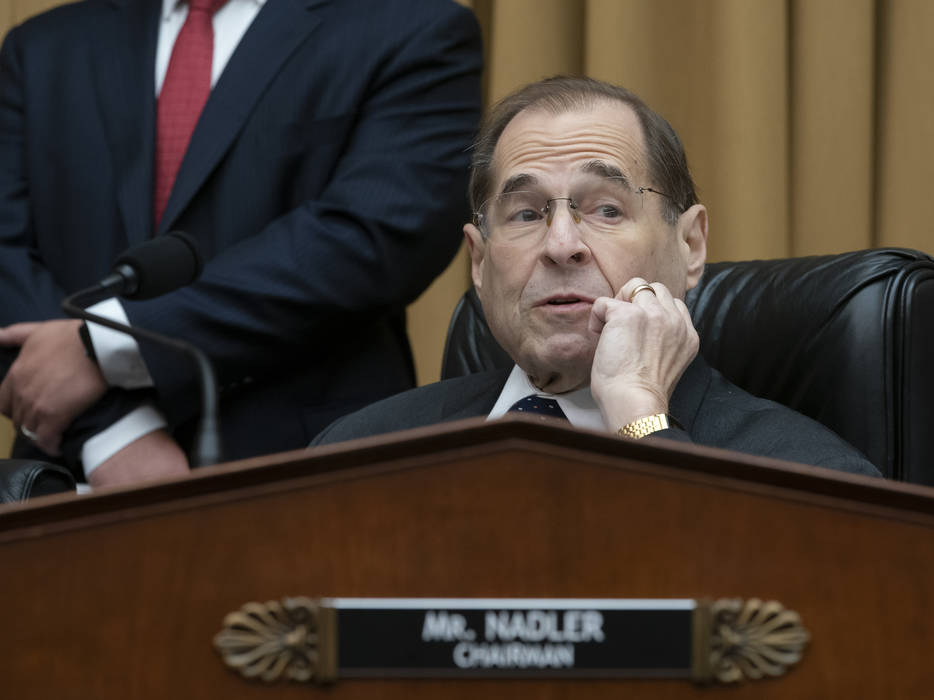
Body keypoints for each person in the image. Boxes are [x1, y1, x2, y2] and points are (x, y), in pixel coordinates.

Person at [0, 0, 482, 487]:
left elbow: (377, 232)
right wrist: (111, 434)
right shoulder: (39, 49)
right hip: (65, 478)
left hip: (308, 474)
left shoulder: (414, 30)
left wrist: (103, 344)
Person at [312, 76, 881, 478]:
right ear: (479, 262)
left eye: (607, 210)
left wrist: (641, 419)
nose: (562, 246)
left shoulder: (809, 476)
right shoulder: (357, 454)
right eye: (527, 213)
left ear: (690, 245)